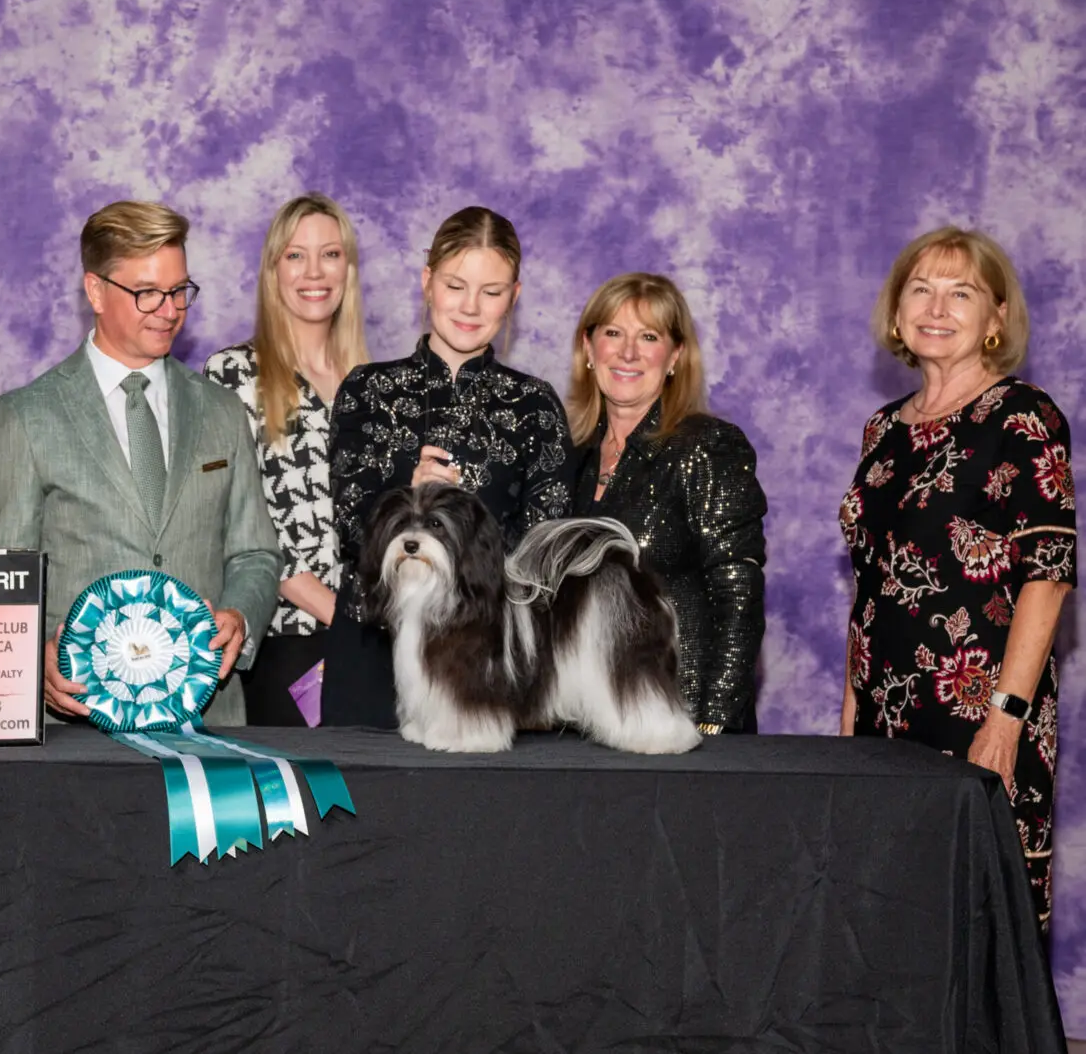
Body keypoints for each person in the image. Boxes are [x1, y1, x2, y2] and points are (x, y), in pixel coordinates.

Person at [839, 226, 1074, 929]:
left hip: (980, 708)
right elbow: (872, 582)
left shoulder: (1024, 417)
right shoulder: (883, 429)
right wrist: (854, 705)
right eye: (921, 289)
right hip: (885, 712)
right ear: (898, 311)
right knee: (887, 909)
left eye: (961, 292)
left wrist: (1005, 718)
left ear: (996, 318)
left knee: (978, 911)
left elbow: (1050, 576)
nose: (936, 307)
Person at [0, 201, 281, 725]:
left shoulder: (223, 410)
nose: (169, 310)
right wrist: (31, 662)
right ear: (95, 291)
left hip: (207, 721)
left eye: (180, 290)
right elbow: (4, 580)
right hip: (75, 727)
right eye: (147, 292)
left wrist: (238, 615)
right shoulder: (25, 416)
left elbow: (255, 553)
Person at [324, 206, 575, 728]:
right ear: (427, 282)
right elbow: (351, 529)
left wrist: (468, 530)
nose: (470, 306)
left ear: (515, 296)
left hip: (487, 659)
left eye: (492, 291)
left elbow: (545, 549)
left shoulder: (535, 403)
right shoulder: (367, 391)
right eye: (456, 285)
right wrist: (406, 497)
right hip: (373, 649)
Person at [567, 273, 767, 734]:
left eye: (649, 336)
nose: (628, 352)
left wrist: (712, 719)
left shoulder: (707, 447)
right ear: (588, 348)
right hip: (587, 722)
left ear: (675, 355)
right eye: (613, 333)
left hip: (680, 714)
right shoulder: (571, 457)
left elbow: (739, 595)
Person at [204, 194, 369, 725]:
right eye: (295, 255)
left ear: (349, 267)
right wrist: (343, 621)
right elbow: (240, 524)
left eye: (331, 254)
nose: (314, 272)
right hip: (286, 643)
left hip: (377, 642)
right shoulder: (231, 376)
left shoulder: (377, 383)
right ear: (273, 270)